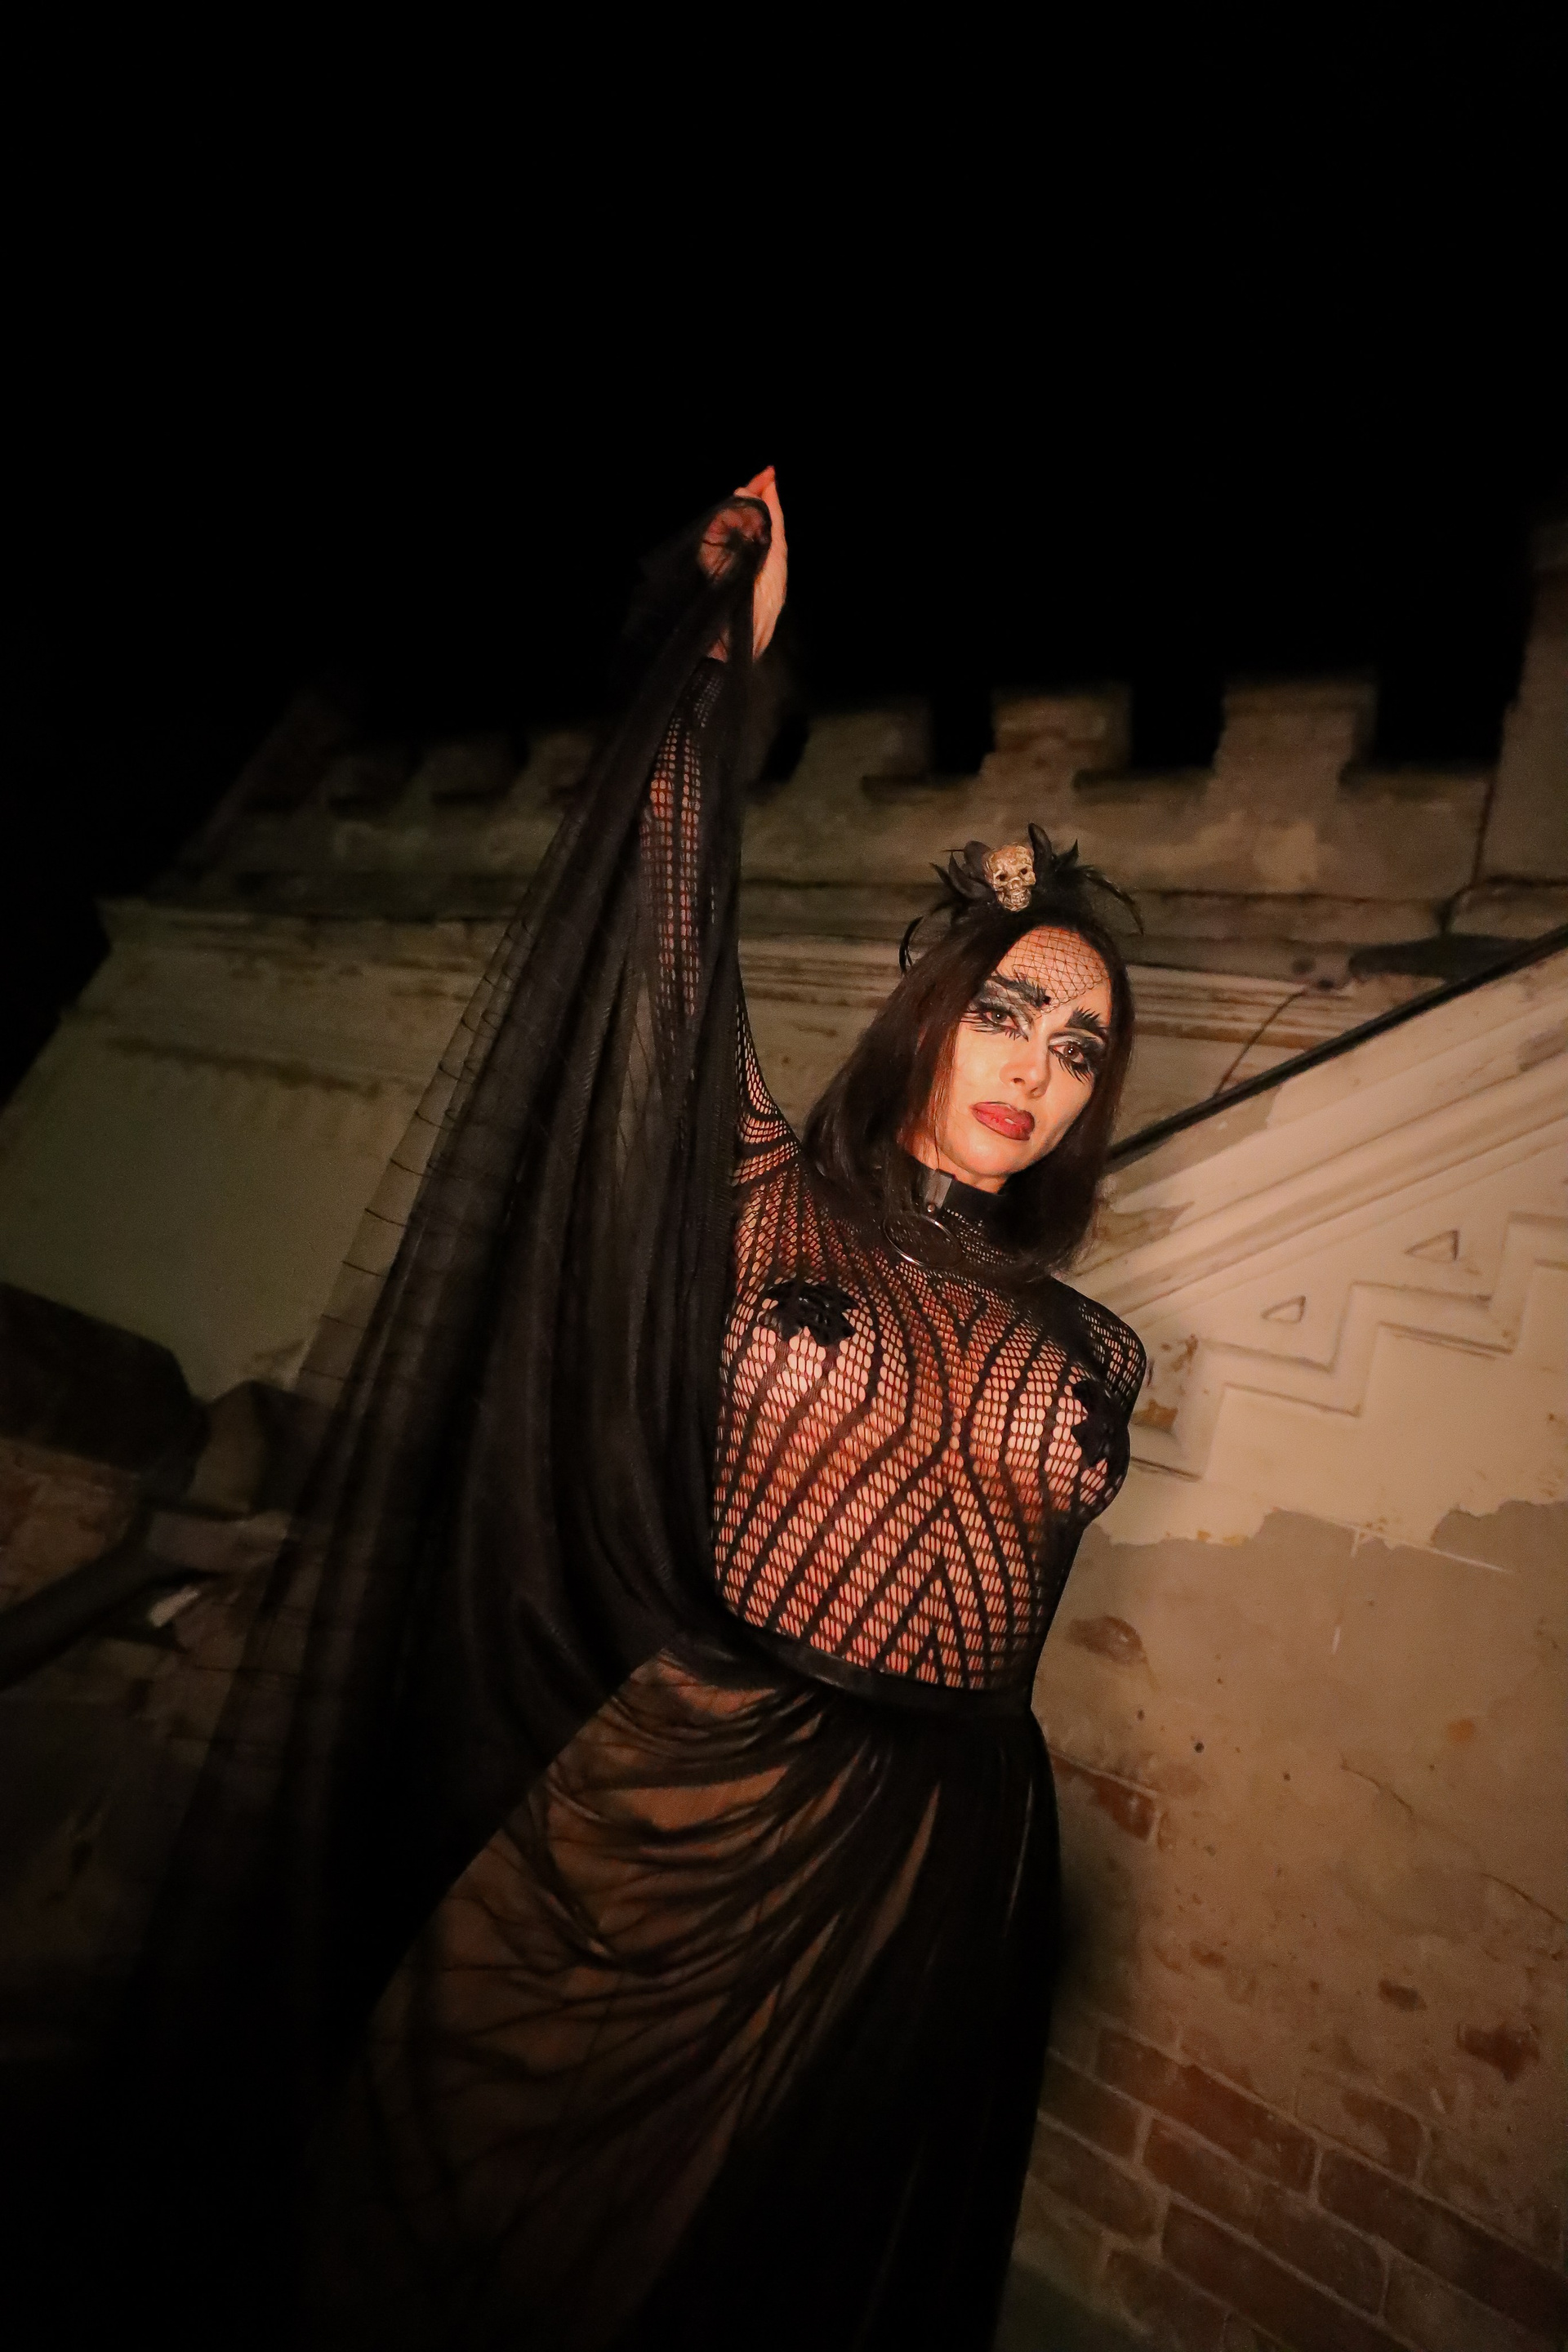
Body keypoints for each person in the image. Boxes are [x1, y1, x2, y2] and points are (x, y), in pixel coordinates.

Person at [110, 471, 1146, 2350]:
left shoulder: (1094, 1340)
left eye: (1080, 1050)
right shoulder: (767, 1196)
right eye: (1008, 1013)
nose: (1039, 1070)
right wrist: (724, 664)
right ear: (931, 1012)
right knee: (483, 2209)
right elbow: (673, 938)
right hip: (698, 1781)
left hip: (951, 1853)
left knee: (779, 2264)